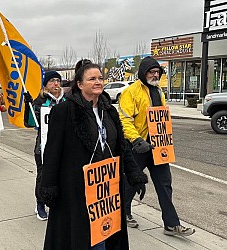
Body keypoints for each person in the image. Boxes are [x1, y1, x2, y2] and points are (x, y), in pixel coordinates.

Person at [40, 60, 148, 249]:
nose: (98, 82)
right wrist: (48, 187)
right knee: (86, 239)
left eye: (100, 78)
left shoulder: (109, 110)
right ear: (80, 84)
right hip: (77, 190)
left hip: (107, 189)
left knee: (106, 235)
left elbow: (121, 146)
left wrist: (134, 174)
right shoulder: (64, 111)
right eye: (92, 79)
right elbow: (52, 152)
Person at [118, 56, 195, 236]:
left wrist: (165, 137)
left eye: (157, 72)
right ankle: (123, 212)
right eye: (151, 72)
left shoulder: (159, 91)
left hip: (158, 147)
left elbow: (161, 116)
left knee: (165, 184)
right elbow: (124, 119)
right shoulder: (131, 92)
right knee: (132, 182)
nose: (155, 75)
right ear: (143, 73)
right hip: (137, 147)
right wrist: (136, 140)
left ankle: (171, 224)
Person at [24, 71, 66, 221]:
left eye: (58, 81)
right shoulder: (40, 101)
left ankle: (58, 204)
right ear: (46, 84)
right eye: (52, 81)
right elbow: (29, 122)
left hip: (64, 147)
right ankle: (40, 204)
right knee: (43, 177)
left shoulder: (66, 100)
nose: (56, 84)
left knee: (63, 177)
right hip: (44, 147)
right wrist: (28, 106)